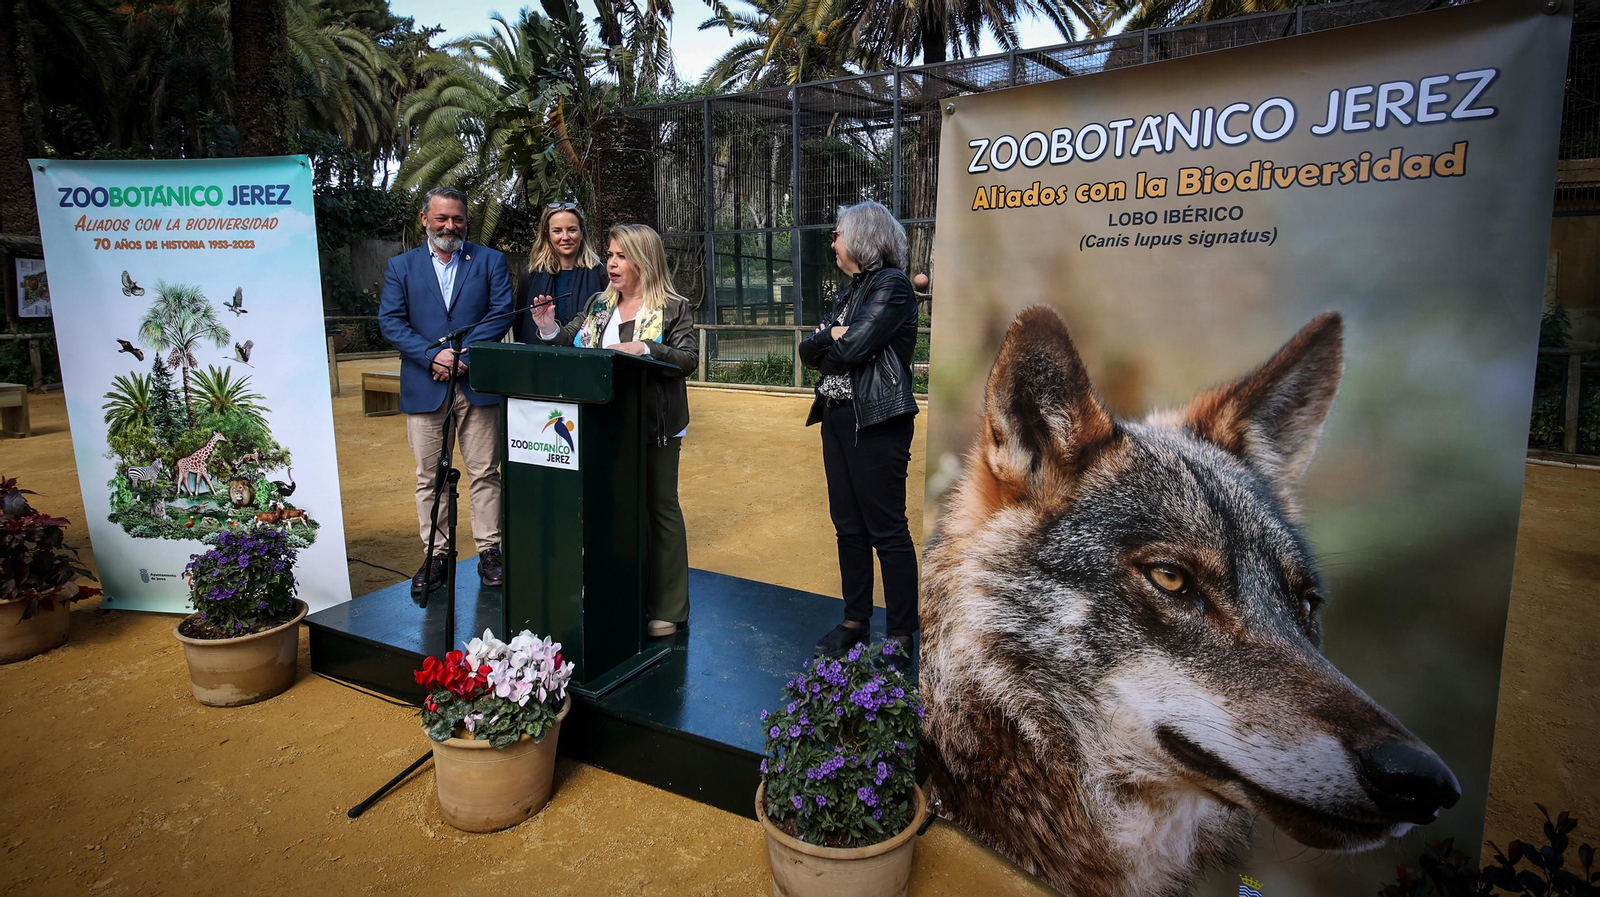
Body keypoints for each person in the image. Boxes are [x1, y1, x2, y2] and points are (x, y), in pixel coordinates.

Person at [529, 223, 697, 637]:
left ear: (644, 259)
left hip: (655, 426)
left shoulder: (673, 307)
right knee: (614, 511)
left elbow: (687, 359)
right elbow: (569, 341)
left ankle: (669, 606)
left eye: (622, 256)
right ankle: (623, 597)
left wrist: (646, 347)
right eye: (610, 255)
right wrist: (548, 326)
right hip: (603, 424)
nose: (612, 263)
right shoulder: (599, 303)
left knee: (660, 509)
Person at [378, 186, 515, 599]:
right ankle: (436, 556)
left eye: (458, 219)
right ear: (425, 219)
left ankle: (490, 551)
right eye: (442, 218)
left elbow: (501, 312)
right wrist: (432, 355)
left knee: (485, 473)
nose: (450, 226)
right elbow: (391, 321)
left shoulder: (489, 261)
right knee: (430, 477)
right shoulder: (400, 267)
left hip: (477, 386)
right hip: (426, 386)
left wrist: (464, 355)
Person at [798, 200, 920, 658]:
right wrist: (830, 338)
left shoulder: (892, 285)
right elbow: (808, 352)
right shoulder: (850, 292)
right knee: (847, 526)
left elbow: (846, 351)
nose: (832, 242)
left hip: (878, 420)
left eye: (838, 234)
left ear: (862, 239)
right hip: (836, 417)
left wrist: (832, 339)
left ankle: (901, 634)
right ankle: (855, 620)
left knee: (886, 528)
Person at [512, 201, 608, 341]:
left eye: (572, 230)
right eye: (557, 231)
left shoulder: (602, 273)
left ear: (582, 232)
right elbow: (520, 326)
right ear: (547, 234)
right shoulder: (530, 274)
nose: (565, 237)